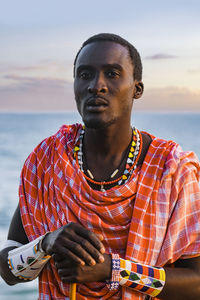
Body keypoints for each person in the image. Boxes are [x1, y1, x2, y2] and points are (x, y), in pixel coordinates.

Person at [0, 33, 200, 300]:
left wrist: (112, 270)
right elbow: (8, 271)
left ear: (137, 89)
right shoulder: (48, 162)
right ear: (74, 87)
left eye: (113, 73)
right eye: (85, 75)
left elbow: (196, 284)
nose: (97, 85)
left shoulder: (171, 170)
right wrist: (46, 244)